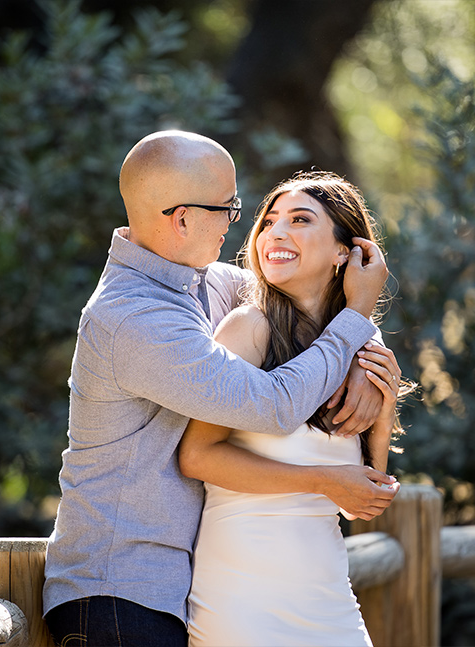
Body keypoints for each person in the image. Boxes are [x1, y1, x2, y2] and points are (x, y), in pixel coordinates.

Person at [42, 131, 396, 647]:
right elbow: (273, 405)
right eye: (227, 207)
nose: (239, 221)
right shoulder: (134, 318)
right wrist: (358, 320)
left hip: (174, 589)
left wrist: (367, 358)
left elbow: (306, 305)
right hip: (120, 591)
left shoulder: (204, 282)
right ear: (182, 218)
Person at [181, 171, 408, 647]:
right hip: (243, 593)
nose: (275, 233)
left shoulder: (362, 342)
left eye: (300, 220)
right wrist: (320, 480)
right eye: (269, 222)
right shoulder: (248, 328)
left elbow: (361, 506)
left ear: (347, 251)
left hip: (327, 591)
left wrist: (384, 417)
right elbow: (198, 457)